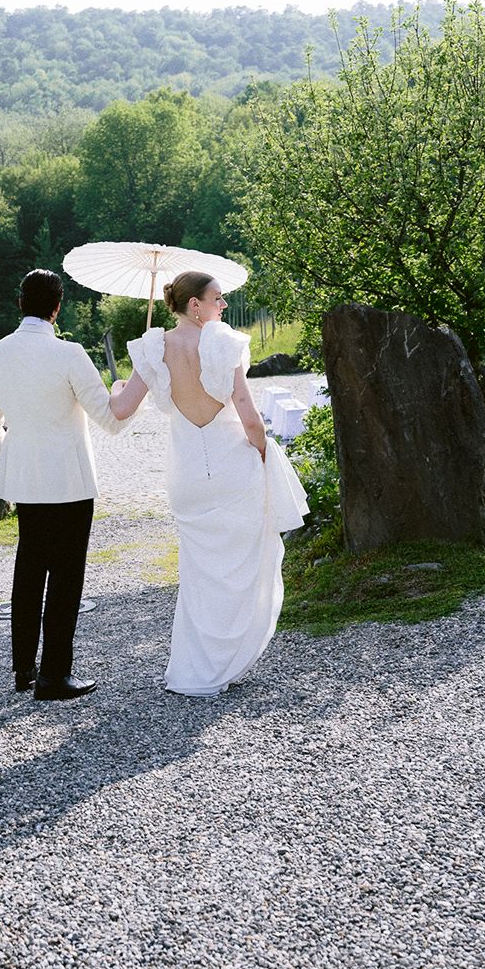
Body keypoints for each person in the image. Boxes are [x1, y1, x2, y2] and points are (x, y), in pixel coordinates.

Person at [108, 270, 308, 697]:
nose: (224, 305)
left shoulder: (153, 347)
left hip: (187, 478)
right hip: (232, 469)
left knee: (199, 577)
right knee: (244, 568)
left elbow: (121, 409)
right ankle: (228, 659)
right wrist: (262, 452)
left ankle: (195, 670)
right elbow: (249, 417)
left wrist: (118, 384)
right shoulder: (222, 343)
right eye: (217, 298)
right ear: (195, 305)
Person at [0, 268, 135, 700]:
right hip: (69, 484)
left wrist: (18, 461)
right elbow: (111, 420)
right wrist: (124, 388)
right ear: (57, 307)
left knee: (28, 572)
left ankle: (23, 669)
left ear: (20, 303)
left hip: (26, 485)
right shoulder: (70, 354)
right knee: (65, 579)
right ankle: (54, 676)